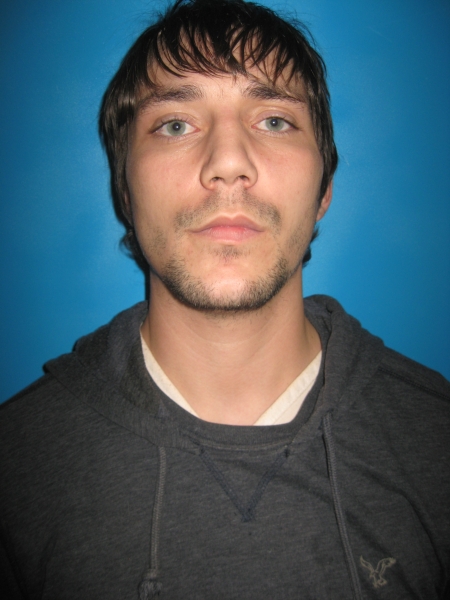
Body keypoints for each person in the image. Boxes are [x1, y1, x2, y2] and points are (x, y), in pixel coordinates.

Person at [1, 0, 449, 598]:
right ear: (125, 192)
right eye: (175, 125)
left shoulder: (437, 438)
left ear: (324, 190)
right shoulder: (16, 464)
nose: (229, 163)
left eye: (274, 121)